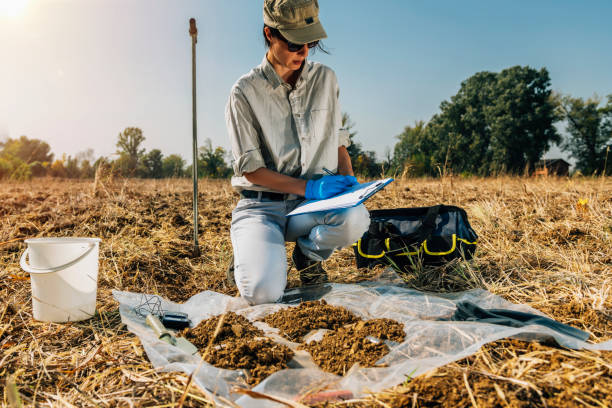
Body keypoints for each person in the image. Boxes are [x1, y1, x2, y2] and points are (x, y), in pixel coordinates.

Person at [225, 0, 370, 305]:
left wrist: (351, 187)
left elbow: (338, 141)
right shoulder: (244, 92)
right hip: (262, 207)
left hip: (310, 207)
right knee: (263, 294)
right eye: (293, 43)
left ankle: (308, 256)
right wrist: (310, 187)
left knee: (355, 219)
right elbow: (251, 169)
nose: (303, 52)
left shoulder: (326, 79)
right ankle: (250, 253)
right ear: (269, 34)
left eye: (310, 43)